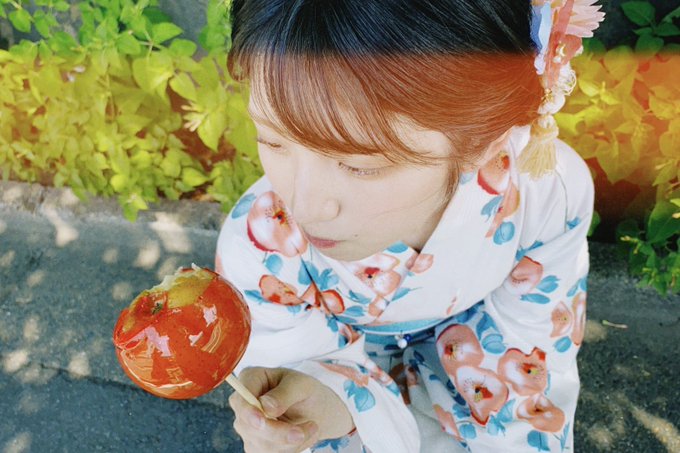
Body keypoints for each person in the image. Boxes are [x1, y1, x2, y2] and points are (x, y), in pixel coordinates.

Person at [215, 1, 605, 452]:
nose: (304, 206)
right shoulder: (260, 246)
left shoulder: (546, 195)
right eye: (272, 141)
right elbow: (300, 379)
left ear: (483, 140)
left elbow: (528, 361)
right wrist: (327, 401)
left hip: (483, 369)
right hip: (339, 391)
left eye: (360, 166)